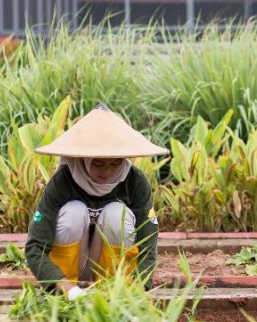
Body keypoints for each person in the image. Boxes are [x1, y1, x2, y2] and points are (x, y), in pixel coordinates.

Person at [25, 106, 169, 299]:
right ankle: (66, 290)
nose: (107, 172)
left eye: (115, 163)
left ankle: (114, 289)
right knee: (73, 211)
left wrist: (138, 292)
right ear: (84, 159)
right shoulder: (64, 181)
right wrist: (66, 288)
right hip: (68, 277)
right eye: (98, 163)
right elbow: (35, 247)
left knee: (117, 213)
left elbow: (149, 245)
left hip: (111, 271)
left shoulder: (135, 182)